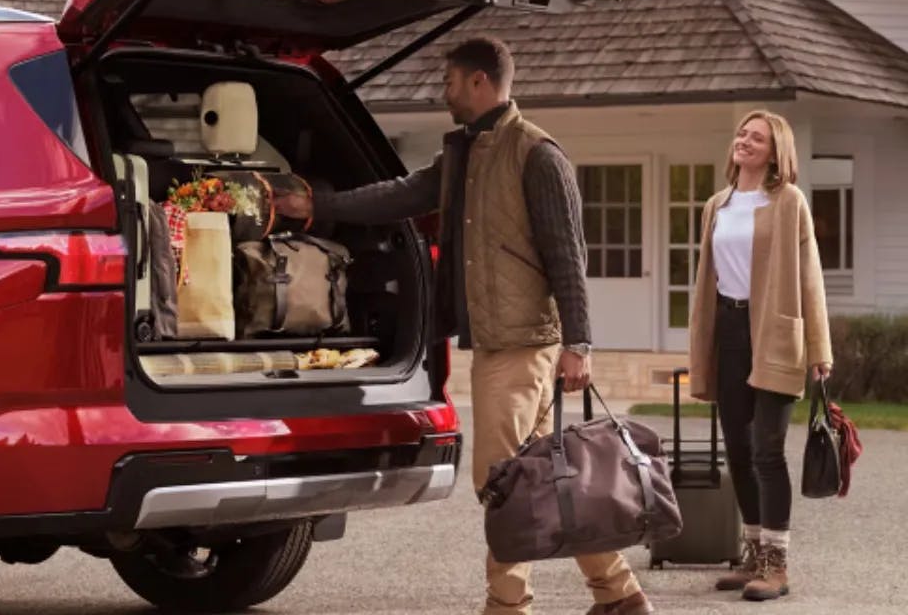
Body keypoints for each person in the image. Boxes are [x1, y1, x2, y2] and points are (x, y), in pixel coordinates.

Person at [276, 37, 652, 615]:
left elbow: (567, 257)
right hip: (501, 343)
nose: (443, 92)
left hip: (524, 345)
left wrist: (579, 343)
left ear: (479, 82)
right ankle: (619, 594)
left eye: (450, 81)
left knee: (501, 482)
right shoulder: (463, 152)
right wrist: (317, 208)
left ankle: (507, 605)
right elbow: (398, 196)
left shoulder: (538, 154)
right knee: (553, 477)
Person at [686, 109, 832, 602]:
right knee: (739, 449)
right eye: (742, 134)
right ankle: (751, 552)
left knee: (767, 449)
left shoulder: (789, 202)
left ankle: (777, 562)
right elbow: (709, 277)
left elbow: (810, 277)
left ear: (775, 152)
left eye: (757, 138)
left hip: (773, 331)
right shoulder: (716, 205)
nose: (744, 142)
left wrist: (819, 348)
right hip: (728, 329)